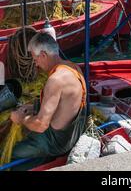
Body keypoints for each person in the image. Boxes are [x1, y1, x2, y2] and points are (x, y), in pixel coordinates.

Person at [10, 32, 87, 170]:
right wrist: (33, 106)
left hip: (57, 143)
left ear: (44, 55)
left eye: (35, 59)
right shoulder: (74, 68)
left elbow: (41, 125)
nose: (36, 64)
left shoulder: (55, 80)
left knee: (12, 152)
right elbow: (63, 104)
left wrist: (21, 118)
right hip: (75, 133)